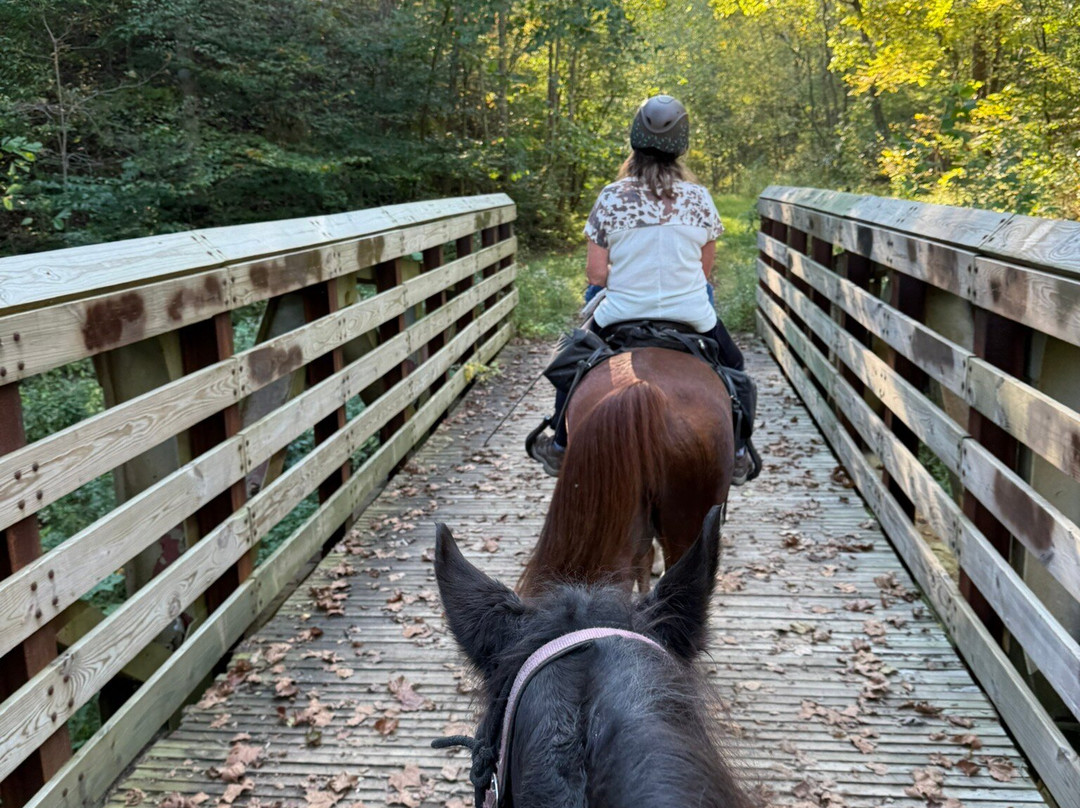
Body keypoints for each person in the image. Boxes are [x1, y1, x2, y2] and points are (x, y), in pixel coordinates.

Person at [529, 94, 751, 482]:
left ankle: (561, 445)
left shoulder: (611, 197)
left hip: (621, 314)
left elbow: (596, 276)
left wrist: (632, 272)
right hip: (691, 316)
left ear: (635, 139)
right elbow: (704, 270)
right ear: (681, 144)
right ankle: (739, 451)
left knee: (573, 363)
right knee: (735, 366)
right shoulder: (699, 199)